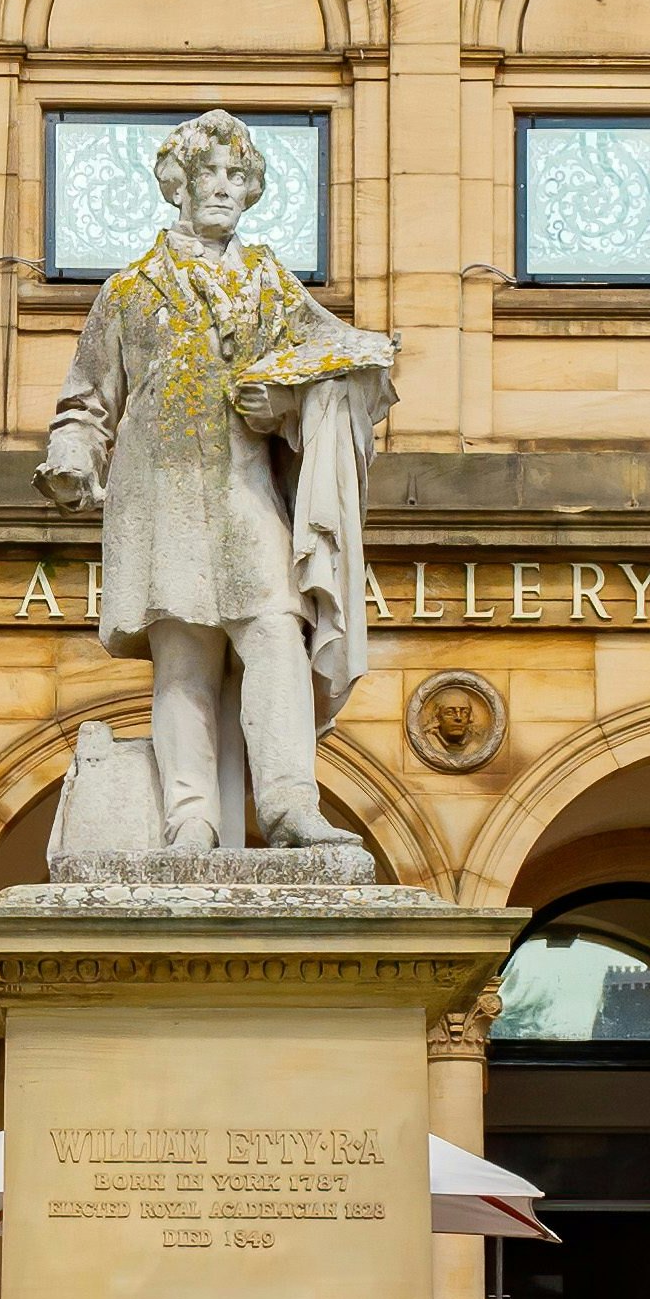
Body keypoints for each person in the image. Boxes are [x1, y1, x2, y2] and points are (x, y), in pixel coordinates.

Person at [38, 107, 397, 852]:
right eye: (210, 172)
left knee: (274, 633)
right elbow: (87, 399)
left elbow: (354, 362)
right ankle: (191, 819)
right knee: (184, 658)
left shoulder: (272, 285)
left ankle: (290, 805)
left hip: (245, 494)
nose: (225, 186)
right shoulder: (130, 290)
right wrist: (72, 458)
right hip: (161, 498)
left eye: (239, 174)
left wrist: (286, 405)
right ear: (179, 183)